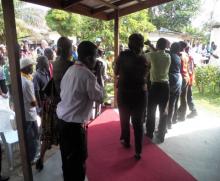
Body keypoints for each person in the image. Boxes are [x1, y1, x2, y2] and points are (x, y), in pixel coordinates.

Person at [56, 41, 104, 181]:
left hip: (62, 122)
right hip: (74, 127)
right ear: (89, 58)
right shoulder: (87, 75)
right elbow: (99, 97)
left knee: (67, 159)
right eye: (95, 57)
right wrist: (99, 75)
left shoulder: (70, 70)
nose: (96, 61)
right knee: (78, 163)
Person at [115, 33, 149, 160]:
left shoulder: (123, 55)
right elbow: (146, 75)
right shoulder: (145, 57)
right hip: (140, 93)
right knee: (138, 122)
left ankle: (126, 141)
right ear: (141, 43)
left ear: (130, 43)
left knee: (124, 119)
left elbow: (116, 71)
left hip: (124, 92)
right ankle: (138, 151)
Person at [145, 38, 171, 143]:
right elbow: (157, 52)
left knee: (151, 110)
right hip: (165, 87)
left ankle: (149, 133)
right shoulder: (168, 56)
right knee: (163, 111)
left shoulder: (152, 55)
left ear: (157, 45)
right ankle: (161, 134)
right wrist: (151, 45)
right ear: (165, 46)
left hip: (155, 86)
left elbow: (146, 56)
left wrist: (149, 45)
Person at [20, 58, 39, 163]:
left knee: (29, 136)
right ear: (26, 68)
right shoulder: (27, 82)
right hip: (30, 113)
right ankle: (32, 158)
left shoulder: (22, 78)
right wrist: (39, 105)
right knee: (33, 136)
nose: (33, 68)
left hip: (25, 112)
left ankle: (30, 155)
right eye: (31, 66)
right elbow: (32, 102)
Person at [167, 42, 182, 129]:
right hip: (178, 78)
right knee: (175, 101)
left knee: (169, 103)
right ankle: (174, 119)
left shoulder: (170, 55)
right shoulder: (178, 57)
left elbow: (158, 51)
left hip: (172, 78)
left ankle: (168, 123)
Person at [178, 41, 190, 121]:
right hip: (186, 76)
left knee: (176, 98)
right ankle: (182, 116)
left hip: (181, 76)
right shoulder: (186, 54)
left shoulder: (179, 54)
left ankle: (175, 116)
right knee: (183, 97)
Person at [185, 46, 198, 118]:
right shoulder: (190, 57)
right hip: (189, 79)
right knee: (187, 96)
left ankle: (194, 111)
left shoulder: (189, 57)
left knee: (188, 96)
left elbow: (190, 70)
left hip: (188, 79)